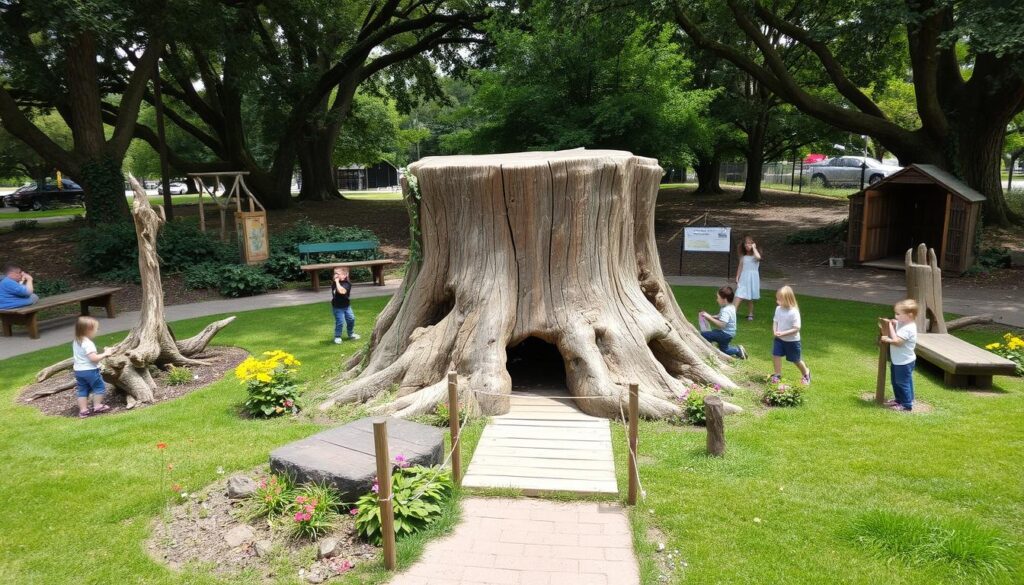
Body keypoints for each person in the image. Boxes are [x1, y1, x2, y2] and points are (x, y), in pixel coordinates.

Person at [881, 299, 918, 412]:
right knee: (899, 381)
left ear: (909, 315)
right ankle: (902, 399)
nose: (895, 316)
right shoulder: (904, 323)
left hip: (903, 362)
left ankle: (906, 405)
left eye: (898, 314)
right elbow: (899, 327)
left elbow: (898, 341)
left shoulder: (908, 328)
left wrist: (888, 336)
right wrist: (895, 323)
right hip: (900, 360)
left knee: (901, 382)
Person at [770, 285, 811, 385]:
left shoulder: (793, 312)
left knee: (796, 360)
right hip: (779, 339)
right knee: (776, 355)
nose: (777, 301)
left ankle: (806, 373)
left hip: (792, 341)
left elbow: (796, 328)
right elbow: (775, 321)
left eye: (779, 299)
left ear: (787, 299)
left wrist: (783, 333)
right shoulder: (778, 309)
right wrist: (774, 330)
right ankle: (777, 374)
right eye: (777, 299)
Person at [73, 316, 112, 418]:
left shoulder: (77, 341)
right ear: (89, 329)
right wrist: (105, 354)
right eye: (96, 329)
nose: (96, 331)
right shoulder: (88, 343)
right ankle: (98, 406)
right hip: (90, 370)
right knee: (99, 387)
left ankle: (83, 410)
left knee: (82, 390)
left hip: (79, 371)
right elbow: (93, 358)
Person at [698, 286, 748, 359]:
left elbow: (722, 325)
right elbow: (720, 316)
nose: (717, 300)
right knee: (724, 349)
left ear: (724, 299)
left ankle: (708, 351)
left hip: (725, 334)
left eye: (718, 298)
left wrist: (709, 317)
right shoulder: (730, 307)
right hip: (728, 333)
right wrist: (713, 317)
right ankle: (738, 350)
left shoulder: (726, 310)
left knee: (705, 334)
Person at [734, 235, 761, 320]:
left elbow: (758, 257)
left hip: (752, 278)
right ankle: (732, 312)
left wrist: (754, 248)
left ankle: (750, 314)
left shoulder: (755, 256)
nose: (747, 245)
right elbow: (740, 267)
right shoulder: (743, 257)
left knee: (749, 298)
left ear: (753, 244)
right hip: (744, 278)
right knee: (739, 294)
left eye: (749, 243)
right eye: (746, 243)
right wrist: (737, 276)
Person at [331, 267, 360, 344]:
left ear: (345, 275)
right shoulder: (335, 282)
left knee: (351, 319)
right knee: (340, 321)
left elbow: (342, 291)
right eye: (335, 273)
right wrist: (336, 281)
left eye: (337, 274)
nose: (335, 275)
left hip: (346, 306)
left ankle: (351, 334)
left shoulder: (347, 284)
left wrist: (337, 282)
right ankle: (337, 336)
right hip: (337, 307)